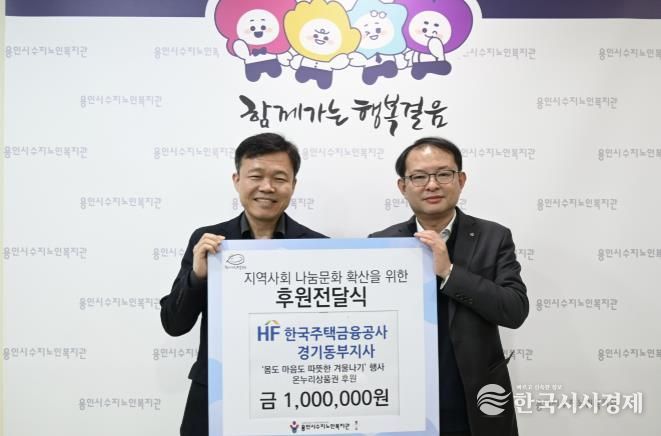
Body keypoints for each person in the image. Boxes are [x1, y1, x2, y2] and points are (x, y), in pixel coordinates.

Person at [160, 133, 326, 436]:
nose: (267, 187)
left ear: (293, 184)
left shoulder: (318, 246)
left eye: (279, 178)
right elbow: (174, 324)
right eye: (256, 176)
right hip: (216, 392)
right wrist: (198, 277)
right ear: (237, 180)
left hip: (292, 391)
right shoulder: (208, 241)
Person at [369, 137, 528, 436]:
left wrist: (450, 272)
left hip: (475, 397)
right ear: (403, 186)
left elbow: (514, 310)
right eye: (419, 177)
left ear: (461, 180)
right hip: (405, 398)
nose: (432, 185)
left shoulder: (494, 237)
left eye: (443, 174)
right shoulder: (381, 242)